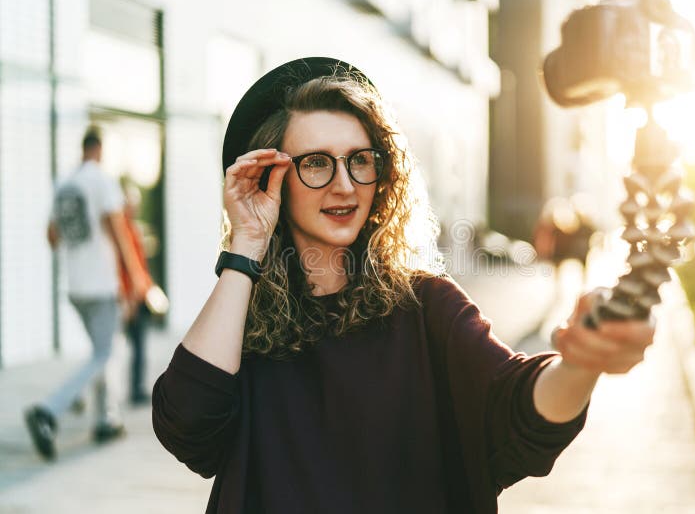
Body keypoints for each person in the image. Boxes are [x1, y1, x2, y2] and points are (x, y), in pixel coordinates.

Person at [152, 58, 654, 513]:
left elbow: (516, 407)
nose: (344, 184)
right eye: (316, 162)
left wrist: (582, 363)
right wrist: (246, 244)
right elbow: (187, 426)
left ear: (382, 174)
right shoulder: (242, 326)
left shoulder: (426, 307)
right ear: (273, 180)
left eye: (359, 159)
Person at [25, 127, 148, 460]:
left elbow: (52, 236)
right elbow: (119, 229)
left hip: (75, 286)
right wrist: (136, 277)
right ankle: (49, 410)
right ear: (100, 148)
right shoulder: (100, 180)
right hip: (100, 284)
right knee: (106, 354)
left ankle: (107, 419)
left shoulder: (65, 183)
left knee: (101, 351)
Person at [117, 181, 154, 405]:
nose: (135, 206)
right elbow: (124, 267)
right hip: (130, 297)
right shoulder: (122, 229)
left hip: (140, 294)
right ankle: (134, 388)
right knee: (124, 347)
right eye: (132, 202)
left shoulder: (132, 228)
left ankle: (137, 387)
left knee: (139, 346)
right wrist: (128, 296)